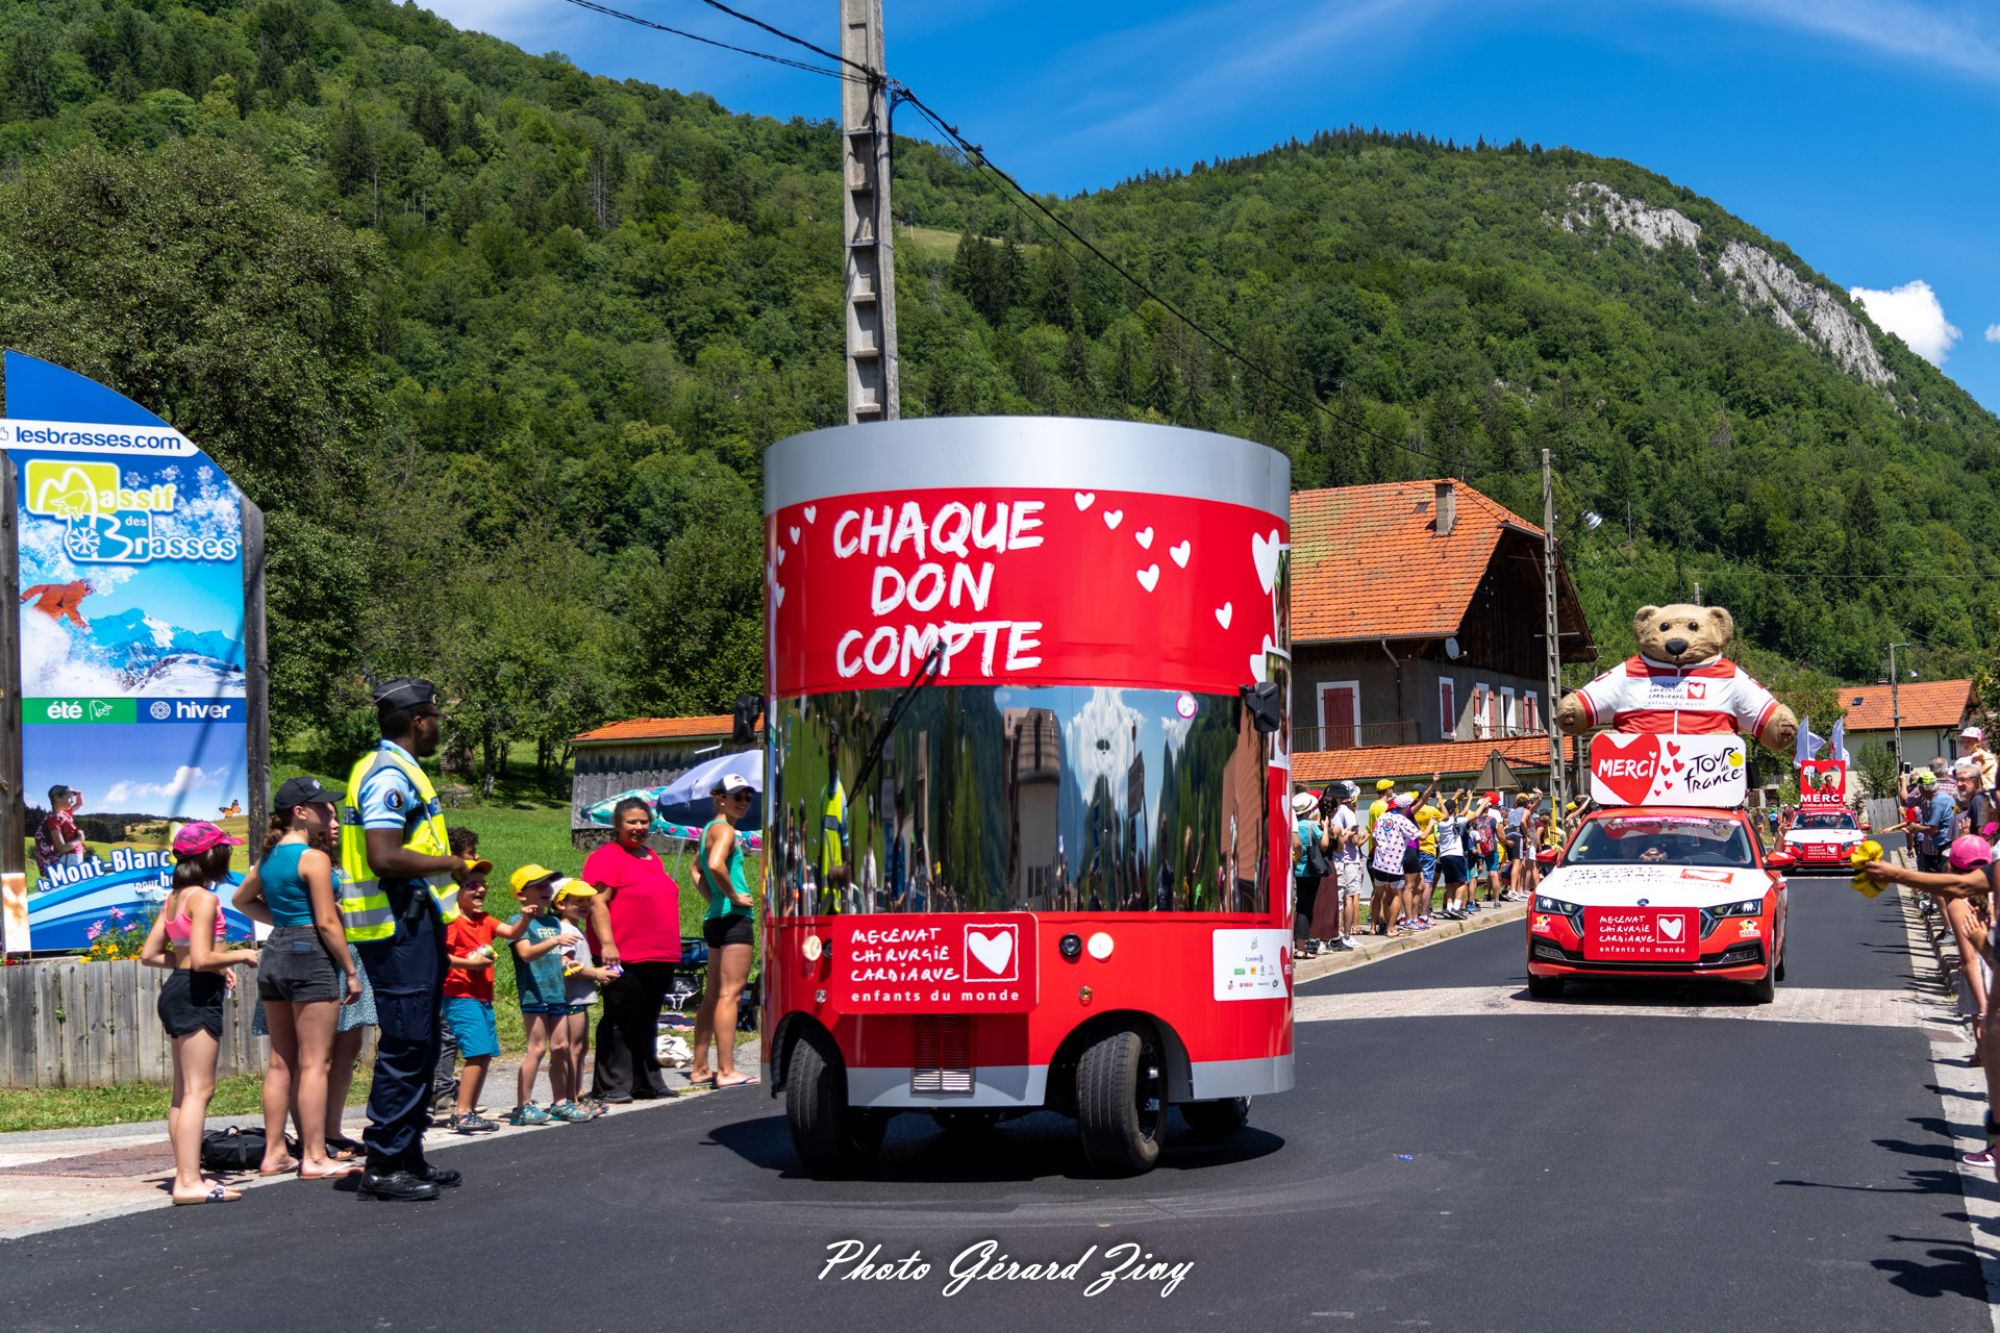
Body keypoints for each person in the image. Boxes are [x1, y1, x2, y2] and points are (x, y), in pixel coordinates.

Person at [339, 678, 478, 1203]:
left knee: (422, 1042)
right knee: (406, 1043)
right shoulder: (388, 775)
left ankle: (407, 1152)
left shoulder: (396, 769)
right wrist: (452, 863)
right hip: (397, 925)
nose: (439, 726)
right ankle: (383, 1163)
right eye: (436, 717)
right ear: (419, 720)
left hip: (413, 923)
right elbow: (384, 856)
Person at [232, 777, 361, 1179]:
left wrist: (284, 922)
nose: (328, 812)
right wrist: (351, 971)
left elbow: (240, 899)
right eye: (321, 807)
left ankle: (274, 1153)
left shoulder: (268, 858)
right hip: (310, 956)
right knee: (315, 1063)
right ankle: (315, 1156)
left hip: (276, 952)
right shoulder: (313, 858)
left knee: (280, 1061)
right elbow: (327, 921)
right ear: (299, 813)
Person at [139, 821, 259, 1205]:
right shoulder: (204, 899)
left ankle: (186, 1175)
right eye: (224, 850)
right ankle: (189, 1182)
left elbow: (150, 954)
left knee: (183, 1093)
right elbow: (204, 957)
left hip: (178, 989)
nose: (227, 855)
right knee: (199, 1090)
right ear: (210, 856)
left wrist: (208, 964)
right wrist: (241, 955)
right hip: (196, 994)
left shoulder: (175, 897)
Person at [1864, 838, 2000, 1170]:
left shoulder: (1963, 902)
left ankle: (1995, 1145)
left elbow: (1974, 958)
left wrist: (1982, 949)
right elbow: (1961, 885)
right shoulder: (1987, 888)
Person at [583, 796, 682, 1104]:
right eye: (632, 822)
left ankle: (646, 1082)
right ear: (617, 825)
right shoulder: (606, 856)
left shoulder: (651, 855)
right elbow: (598, 902)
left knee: (647, 1017)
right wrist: (608, 944)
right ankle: (612, 1084)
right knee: (620, 1016)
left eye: (644, 821)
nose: (639, 827)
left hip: (660, 952)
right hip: (626, 952)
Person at [440, 865, 525, 1133]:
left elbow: (512, 933)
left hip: (482, 996)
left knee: (485, 1053)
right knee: (477, 1052)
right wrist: (472, 965)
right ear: (454, 892)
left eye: (483, 884)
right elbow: (441, 957)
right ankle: (462, 1112)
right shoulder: (453, 922)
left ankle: (468, 1109)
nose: (480, 889)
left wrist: (526, 917)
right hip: (460, 995)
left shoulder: (484, 919)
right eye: (472, 885)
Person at [690, 773, 759, 1088]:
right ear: (719, 799)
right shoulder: (727, 831)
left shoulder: (709, 830)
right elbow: (716, 865)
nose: (744, 802)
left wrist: (714, 899)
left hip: (716, 918)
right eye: (737, 797)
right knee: (731, 995)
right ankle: (727, 1070)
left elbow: (696, 868)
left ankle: (700, 1068)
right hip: (735, 919)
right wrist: (733, 896)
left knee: (713, 994)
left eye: (747, 797)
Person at [508, 866, 579, 1124]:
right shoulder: (517, 922)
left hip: (556, 992)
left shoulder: (552, 921)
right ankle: (522, 1106)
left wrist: (567, 963)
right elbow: (526, 954)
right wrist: (555, 941)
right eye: (538, 885)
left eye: (548, 884)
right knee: (536, 1048)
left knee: (561, 1047)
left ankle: (560, 1102)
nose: (546, 889)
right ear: (521, 894)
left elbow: (554, 957)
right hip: (534, 993)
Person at [554, 879, 616, 1118]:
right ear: (561, 903)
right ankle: (572, 1096)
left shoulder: (574, 928)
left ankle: (576, 1092)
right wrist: (596, 973)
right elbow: (566, 965)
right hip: (572, 999)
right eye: (578, 901)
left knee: (579, 1048)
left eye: (588, 901)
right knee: (575, 1048)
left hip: (578, 997)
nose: (585, 906)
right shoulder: (567, 931)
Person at [1369, 796, 1420, 936]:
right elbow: (1420, 836)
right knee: (1397, 895)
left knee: (1378, 894)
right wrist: (1430, 825)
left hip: (1379, 862)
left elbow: (1374, 839)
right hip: (1394, 864)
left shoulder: (1383, 817)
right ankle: (1391, 928)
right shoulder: (1402, 820)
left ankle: (1372, 927)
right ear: (1406, 807)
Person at [1291, 791, 1328, 958]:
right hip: (1310, 871)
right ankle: (1301, 948)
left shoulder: (1292, 826)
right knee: (1306, 908)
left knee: (1298, 906)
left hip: (1295, 869)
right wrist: (1325, 827)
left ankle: (1296, 943)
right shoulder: (1311, 826)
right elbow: (1324, 845)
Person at [1326, 783, 1363, 949]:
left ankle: (1335, 933)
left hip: (1333, 857)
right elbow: (1354, 841)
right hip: (1348, 859)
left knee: (1335, 898)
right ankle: (1345, 935)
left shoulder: (1329, 811)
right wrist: (1356, 835)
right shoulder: (1347, 812)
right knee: (1348, 897)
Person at [33, 784, 85, 871]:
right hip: (69, 858)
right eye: (69, 798)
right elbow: (62, 848)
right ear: (57, 797)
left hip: (75, 856)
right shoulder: (54, 819)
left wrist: (78, 794)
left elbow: (79, 804)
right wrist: (80, 839)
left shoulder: (65, 814)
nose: (72, 801)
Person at [19, 578, 93, 628]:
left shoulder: (58, 586)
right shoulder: (76, 593)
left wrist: (24, 598)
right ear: (86, 585)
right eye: (91, 591)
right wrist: (82, 625)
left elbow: (37, 588)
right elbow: (69, 608)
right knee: (60, 640)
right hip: (46, 619)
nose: (89, 594)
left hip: (34, 612)